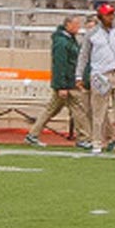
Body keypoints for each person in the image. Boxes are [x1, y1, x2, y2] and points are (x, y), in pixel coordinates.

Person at [85, 7, 115, 153]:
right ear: (101, 16)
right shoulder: (92, 34)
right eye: (108, 14)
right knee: (99, 111)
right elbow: (84, 55)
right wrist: (79, 75)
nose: (111, 17)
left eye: (112, 14)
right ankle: (97, 142)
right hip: (101, 74)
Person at [34, 16, 87, 145]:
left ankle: (33, 134)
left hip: (69, 82)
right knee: (78, 109)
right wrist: (61, 86)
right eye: (76, 24)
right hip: (67, 83)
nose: (79, 27)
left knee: (52, 109)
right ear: (68, 25)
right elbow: (60, 64)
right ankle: (83, 138)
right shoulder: (62, 43)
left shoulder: (69, 40)